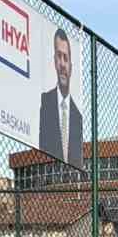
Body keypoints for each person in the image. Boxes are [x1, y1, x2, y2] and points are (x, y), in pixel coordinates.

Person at [38, 29, 83, 166]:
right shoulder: (44, 102)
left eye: (66, 58)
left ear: (71, 66)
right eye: (59, 56)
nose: (62, 64)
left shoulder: (77, 116)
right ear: (54, 61)